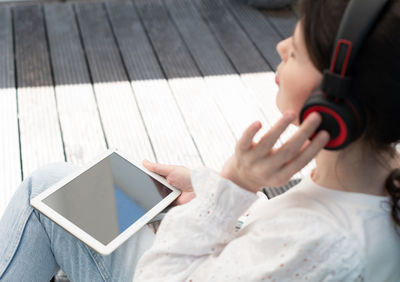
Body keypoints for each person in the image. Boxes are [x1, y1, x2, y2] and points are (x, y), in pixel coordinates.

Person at [1, 0, 399, 281]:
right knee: (70, 191)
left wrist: (231, 186)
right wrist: (220, 198)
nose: (280, 47)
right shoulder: (372, 180)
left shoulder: (324, 243)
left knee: (45, 191)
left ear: (335, 103)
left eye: (296, 53)